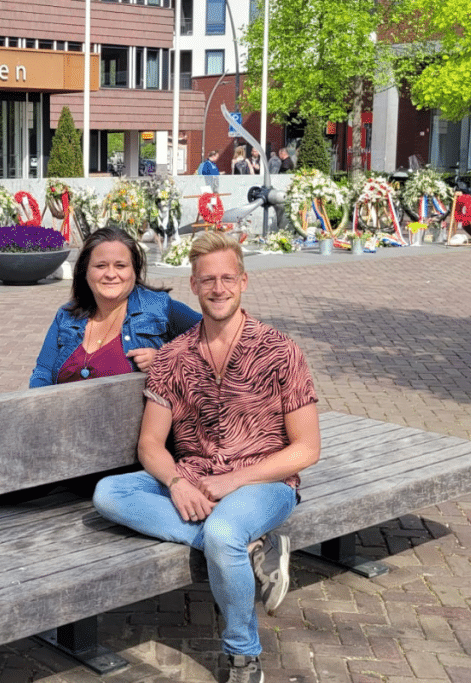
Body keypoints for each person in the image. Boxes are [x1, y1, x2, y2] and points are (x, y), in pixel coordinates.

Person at [92, 231, 320, 683]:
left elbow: (306, 449)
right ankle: (256, 549)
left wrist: (231, 482)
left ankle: (242, 654)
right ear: (193, 286)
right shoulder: (173, 358)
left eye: (227, 278)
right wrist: (177, 484)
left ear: (244, 282)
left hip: (265, 483)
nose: (218, 288)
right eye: (208, 280)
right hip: (194, 477)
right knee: (108, 492)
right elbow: (150, 446)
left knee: (222, 530)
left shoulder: (280, 352)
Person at [29, 227, 201, 387]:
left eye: (120, 266)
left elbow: (217, 340)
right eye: (100, 266)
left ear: (135, 270)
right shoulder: (66, 316)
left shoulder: (159, 307)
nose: (111, 274)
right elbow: (42, 373)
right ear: (85, 271)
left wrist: (166, 358)